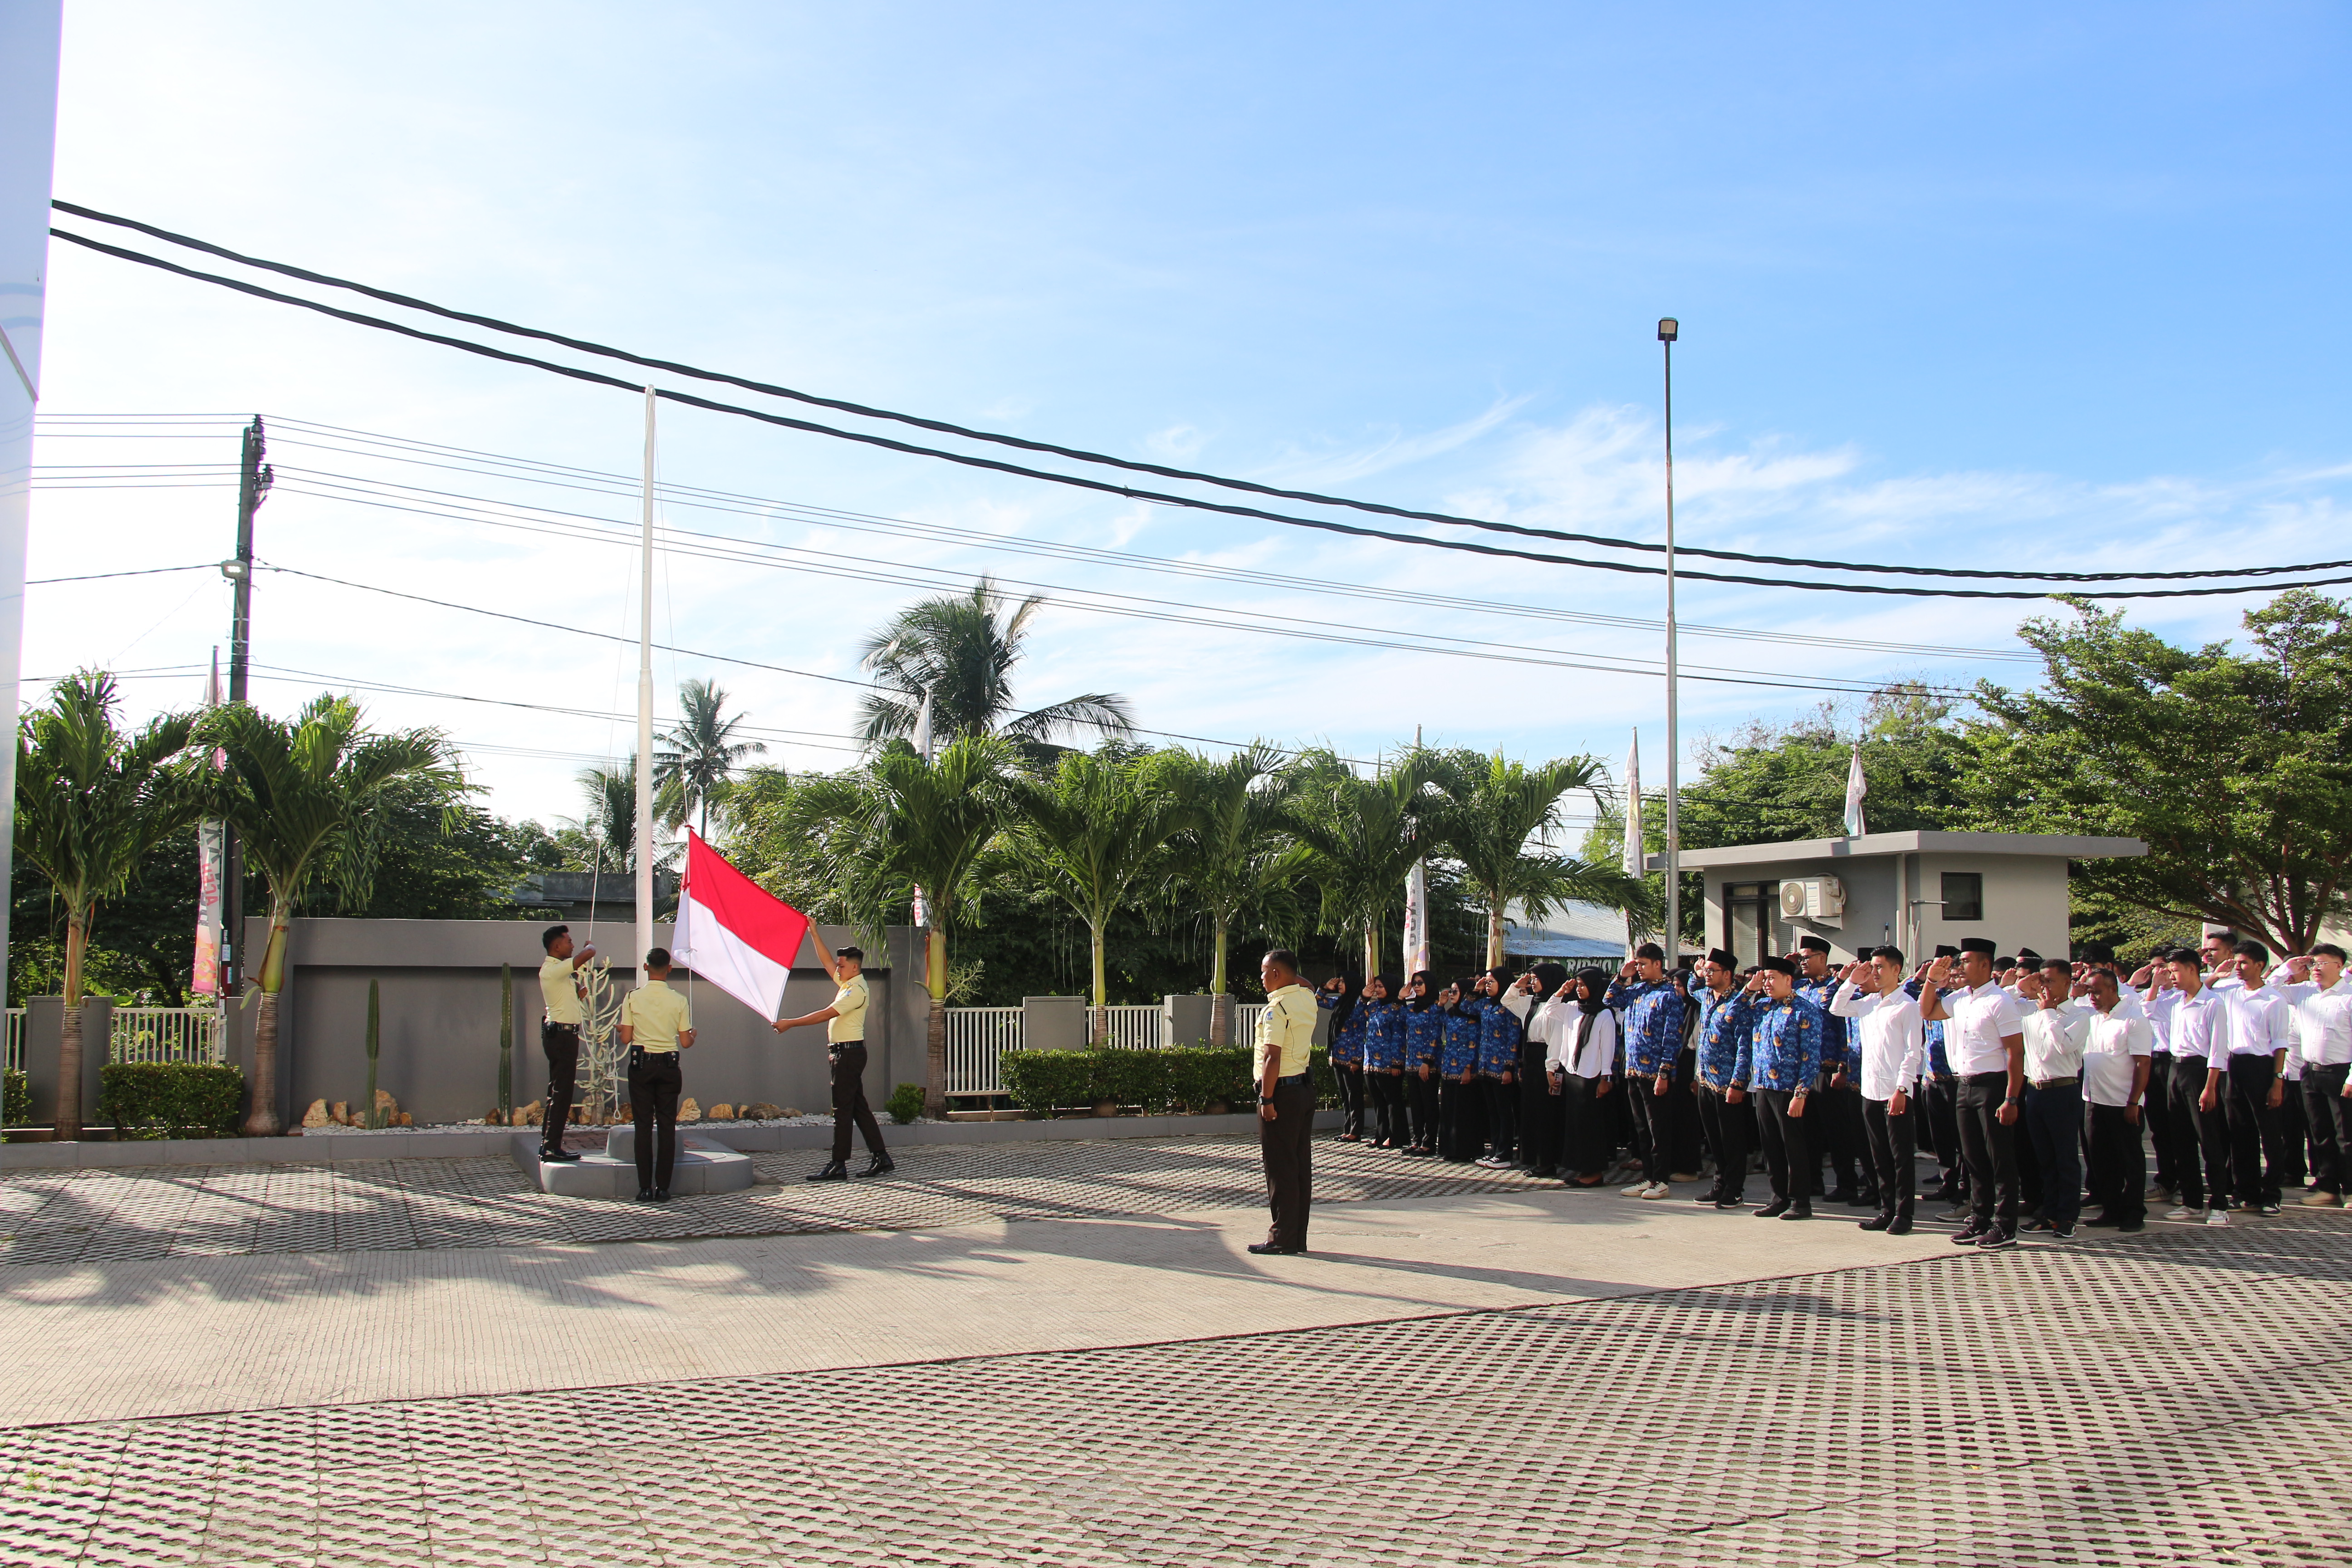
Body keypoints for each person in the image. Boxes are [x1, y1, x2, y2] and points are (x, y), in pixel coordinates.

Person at [1918, 938, 2026, 1249]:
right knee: (1974, 1158)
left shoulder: (2000, 1001)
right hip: (1963, 1084)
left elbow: (2015, 1054)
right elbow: (1927, 1011)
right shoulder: (1959, 999)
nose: (1959, 967)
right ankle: (1980, 1219)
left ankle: (2005, 1226)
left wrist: (2011, 1098)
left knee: (2000, 1158)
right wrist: (1932, 981)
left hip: (1993, 1086)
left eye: (1965, 961)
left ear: (1984, 965)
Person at [773, 931, 892, 1181]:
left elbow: (826, 1014)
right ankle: (881, 1158)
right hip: (846, 1053)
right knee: (859, 1109)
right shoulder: (848, 983)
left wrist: (790, 1023)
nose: (838, 968)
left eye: (842, 964)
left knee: (842, 1110)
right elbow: (827, 961)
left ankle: (839, 1164)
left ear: (855, 966)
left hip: (848, 1055)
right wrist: (814, 934)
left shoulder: (856, 991)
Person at [1831, 946, 1925, 1235]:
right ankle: (1887, 1209)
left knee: (1900, 1156)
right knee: (1878, 1155)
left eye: (1881, 967)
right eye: (1873, 967)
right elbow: (1837, 1007)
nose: (1875, 972)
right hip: (1870, 1090)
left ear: (1897, 970)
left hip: (1895, 1091)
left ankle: (1904, 1214)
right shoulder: (1868, 1003)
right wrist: (1851, 981)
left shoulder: (1907, 1006)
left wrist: (1902, 1089)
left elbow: (1913, 1053)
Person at [1727, 955, 1822, 1220]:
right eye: (1764, 978)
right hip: (1764, 1086)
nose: (1767, 983)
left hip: (1789, 1089)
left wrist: (1801, 1093)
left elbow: (1811, 1056)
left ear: (1788, 980)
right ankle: (1778, 1197)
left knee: (1793, 1146)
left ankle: (1800, 1201)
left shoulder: (1805, 1010)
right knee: (1770, 1146)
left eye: (1771, 978)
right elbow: (1732, 1015)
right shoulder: (1762, 1007)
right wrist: (1749, 990)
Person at [2209, 940, 2291, 1215]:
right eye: (2237, 962)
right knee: (2239, 1131)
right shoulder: (2229, 992)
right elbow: (2201, 991)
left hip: (2263, 1066)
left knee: (2269, 1133)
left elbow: (2280, 1043)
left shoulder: (2273, 999)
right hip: (2235, 1066)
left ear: (2260, 965)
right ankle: (2247, 1191)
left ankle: (2272, 1193)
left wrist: (2277, 1080)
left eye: (2244, 963)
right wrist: (2218, 973)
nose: (2239, 968)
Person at [1604, 943, 1689, 1200]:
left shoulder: (1669, 995)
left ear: (1657, 964)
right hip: (1633, 1069)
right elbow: (1609, 1000)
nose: (1639, 969)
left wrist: (1665, 1072)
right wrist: (1622, 976)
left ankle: (1661, 1179)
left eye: (1643, 964)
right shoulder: (1637, 990)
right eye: (1637, 964)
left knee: (1658, 1127)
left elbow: (1672, 1037)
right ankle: (1648, 1177)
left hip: (1655, 1073)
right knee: (1641, 1126)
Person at [1250, 948, 1321, 1256]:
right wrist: (1289, 975)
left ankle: (1281, 1237)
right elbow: (1305, 984)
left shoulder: (1276, 1009)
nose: (1262, 978)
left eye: (1266, 972)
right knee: (1299, 1166)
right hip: (1304, 1090)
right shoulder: (1306, 999)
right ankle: (1296, 1238)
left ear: (1277, 975)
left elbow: (1272, 1056)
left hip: (1281, 1092)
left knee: (1280, 1168)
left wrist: (1266, 1099)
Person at [1793, 935, 1872, 1208]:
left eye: (1808, 957)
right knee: (1808, 1129)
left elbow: (1845, 1030)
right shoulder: (1801, 988)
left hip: (1831, 1069)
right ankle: (1813, 1179)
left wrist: (1843, 1067)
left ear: (1823, 958)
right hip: (1806, 1070)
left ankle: (1847, 1183)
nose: (1802, 961)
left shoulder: (1838, 987)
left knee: (1837, 1131)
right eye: (1801, 957)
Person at [2160, 947, 2234, 1225]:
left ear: (2192, 969)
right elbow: (2147, 1008)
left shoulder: (2213, 1003)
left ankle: (2219, 1204)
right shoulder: (2177, 1002)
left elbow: (2218, 1049)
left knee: (2209, 1140)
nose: (2172, 976)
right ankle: (2191, 1201)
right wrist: (2156, 985)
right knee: (2181, 1140)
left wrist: (2211, 1086)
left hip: (2201, 1072)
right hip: (2175, 1069)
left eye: (2176, 970)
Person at [2016, 958, 2089, 1237]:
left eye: (2050, 981)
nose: (2044, 986)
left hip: (2063, 1090)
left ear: (2068, 983)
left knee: (2065, 1158)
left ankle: (2067, 1216)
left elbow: (2063, 1046)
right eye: (2041, 980)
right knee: (2043, 1157)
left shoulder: (2078, 1015)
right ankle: (2048, 1212)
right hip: (2035, 1090)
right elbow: (2007, 1004)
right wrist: (2021, 987)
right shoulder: (2031, 1011)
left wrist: (2048, 1013)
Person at [617, 947, 696, 1202]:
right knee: (666, 1126)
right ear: (669, 969)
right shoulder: (680, 1000)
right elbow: (685, 1042)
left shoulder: (632, 998)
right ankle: (663, 1188)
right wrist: (693, 1036)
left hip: (642, 1065)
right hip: (669, 1066)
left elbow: (627, 1038)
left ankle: (643, 1188)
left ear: (646, 967)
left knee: (642, 1126)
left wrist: (622, 1029)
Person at [2278, 945, 2352, 1206]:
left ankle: (2350, 1190)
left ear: (2340, 966)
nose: (2316, 968)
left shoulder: (2349, 995)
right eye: (2314, 963)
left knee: (2346, 1135)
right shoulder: (2305, 993)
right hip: (2310, 1071)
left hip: (2341, 1073)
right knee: (2320, 1133)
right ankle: (2328, 1187)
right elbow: (2270, 989)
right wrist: (2290, 967)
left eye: (2323, 963)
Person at [2079, 968, 2153, 1232]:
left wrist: (2134, 1102)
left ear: (2114, 989)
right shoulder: (2091, 1018)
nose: (2093, 998)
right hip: (2094, 1099)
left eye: (2098, 992)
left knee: (2130, 1160)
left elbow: (2143, 1063)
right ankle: (2111, 1209)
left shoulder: (2133, 1019)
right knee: (2101, 1159)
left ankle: (2134, 1212)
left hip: (2123, 1103)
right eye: (2090, 992)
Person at [1689, 949, 1756, 1209]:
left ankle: (1735, 1189)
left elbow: (1744, 1047)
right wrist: (1698, 970)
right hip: (1706, 1079)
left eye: (1712, 971)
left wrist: (1738, 1083)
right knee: (1714, 1138)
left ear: (1727, 975)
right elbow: (1692, 985)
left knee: (1732, 1139)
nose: (1707, 975)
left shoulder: (1740, 1003)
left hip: (1728, 1084)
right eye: (1707, 970)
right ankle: (1720, 1184)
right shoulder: (1706, 995)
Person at [1546, 967, 1619, 1188]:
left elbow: (1608, 1047)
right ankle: (1581, 1170)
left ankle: (1594, 1173)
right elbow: (1550, 1010)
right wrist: (1562, 991)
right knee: (1575, 1126)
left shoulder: (1604, 1014)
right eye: (1577, 985)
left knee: (1590, 1127)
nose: (1579, 989)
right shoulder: (1571, 1009)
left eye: (1583, 985)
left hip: (1592, 1075)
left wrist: (1606, 1077)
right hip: (1573, 1074)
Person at [536, 924, 596, 1163]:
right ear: (557, 946)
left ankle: (549, 1143)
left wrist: (579, 988)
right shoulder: (552, 970)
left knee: (558, 1091)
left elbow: (576, 988)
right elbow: (587, 954)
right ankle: (551, 1147)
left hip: (564, 1035)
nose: (572, 945)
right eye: (569, 941)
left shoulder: (561, 972)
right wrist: (589, 947)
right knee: (562, 1092)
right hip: (561, 1036)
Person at [1516, 963, 1571, 1177]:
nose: (1532, 982)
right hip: (1531, 1060)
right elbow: (1508, 1001)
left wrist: (1551, 1069)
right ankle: (1535, 1159)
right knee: (1532, 1113)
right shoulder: (1532, 1003)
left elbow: (1556, 1041)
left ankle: (1547, 1162)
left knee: (1546, 1113)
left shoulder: (1557, 1007)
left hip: (1547, 1061)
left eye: (1536, 978)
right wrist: (1518, 985)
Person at [1472, 968, 1522, 1167]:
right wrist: (1476, 990)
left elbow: (1513, 1038)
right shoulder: (1484, 1004)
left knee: (1504, 1112)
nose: (1489, 985)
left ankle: (1505, 1154)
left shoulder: (1510, 1006)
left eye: (1492, 981)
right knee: (1492, 1112)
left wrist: (1509, 1068)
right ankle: (1494, 1150)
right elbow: (1467, 1008)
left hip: (1502, 1068)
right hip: (1484, 1067)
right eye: (1487, 981)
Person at [1436, 980, 1484, 1162]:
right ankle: (1450, 1149)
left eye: (1456, 990)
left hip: (1465, 1069)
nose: (1452, 993)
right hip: (1449, 1069)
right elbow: (1435, 1021)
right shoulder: (1450, 1013)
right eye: (1451, 989)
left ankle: (1465, 1151)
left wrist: (1468, 1068)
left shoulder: (1472, 1017)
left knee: (1463, 1112)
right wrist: (1441, 1004)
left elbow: (1474, 1045)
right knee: (1449, 1110)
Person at [1359, 975, 1408, 1149]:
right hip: (1371, 1062)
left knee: (1392, 1101)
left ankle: (1396, 1137)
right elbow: (1356, 1016)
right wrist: (1364, 997)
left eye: (1381, 986)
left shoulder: (1398, 1008)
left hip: (1388, 1063)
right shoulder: (1373, 1007)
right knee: (1378, 1101)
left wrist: (1397, 1063)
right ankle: (1381, 1134)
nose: (1378, 990)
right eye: (1376, 987)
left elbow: (1399, 1037)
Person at [1400, 971, 1444, 1156]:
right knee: (1416, 1105)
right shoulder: (1411, 1009)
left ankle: (1429, 1142)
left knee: (1429, 1104)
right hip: (1411, 1064)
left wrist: (1427, 1062)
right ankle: (1417, 1140)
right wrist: (1401, 998)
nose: (1417, 986)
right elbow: (1396, 1016)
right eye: (1414, 983)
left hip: (1429, 1065)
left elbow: (1435, 1036)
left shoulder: (1436, 1008)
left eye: (1420, 983)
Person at [1321, 976, 1367, 1142]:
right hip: (1338, 1058)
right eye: (1339, 982)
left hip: (1352, 1059)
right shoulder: (1341, 1002)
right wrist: (1326, 988)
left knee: (1354, 1095)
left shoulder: (1360, 1004)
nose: (1339, 985)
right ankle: (1348, 1129)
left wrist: (1356, 1060)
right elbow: (1319, 1001)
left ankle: (1356, 1131)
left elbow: (1359, 1034)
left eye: (1343, 982)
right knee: (1345, 1096)